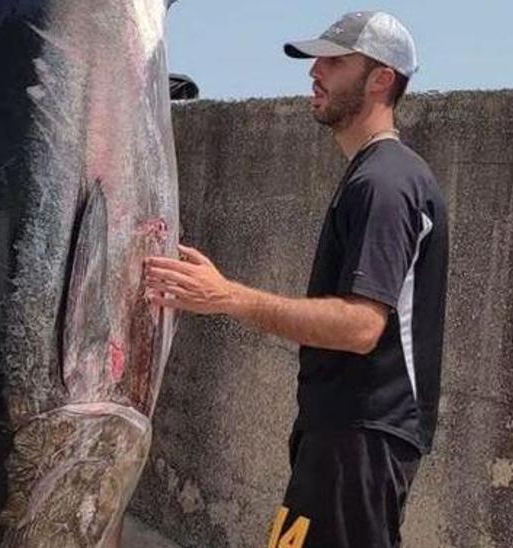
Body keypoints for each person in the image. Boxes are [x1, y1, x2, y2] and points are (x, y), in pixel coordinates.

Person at [145, 11, 448, 548]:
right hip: (345, 434)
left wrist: (228, 297)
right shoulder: (373, 176)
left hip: (362, 436)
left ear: (381, 78)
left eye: (334, 61)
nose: (315, 72)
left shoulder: (386, 182)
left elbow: (359, 326)